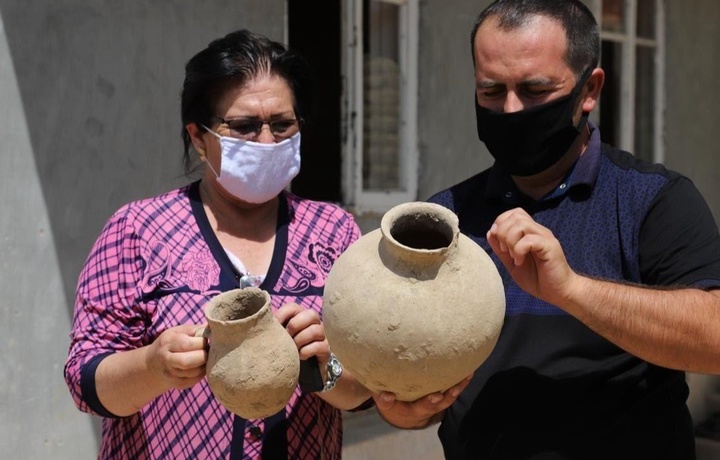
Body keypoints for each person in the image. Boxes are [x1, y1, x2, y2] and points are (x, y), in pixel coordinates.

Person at [372, 1, 720, 459]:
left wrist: (572, 291)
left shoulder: (652, 200)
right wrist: (405, 407)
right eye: (491, 90)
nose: (511, 109)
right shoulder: (444, 219)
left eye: (535, 90)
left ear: (589, 89)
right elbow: (416, 378)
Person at [64, 29, 372, 459]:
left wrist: (327, 369)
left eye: (283, 124)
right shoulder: (138, 230)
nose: (267, 141)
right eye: (244, 127)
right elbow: (86, 381)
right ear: (198, 136)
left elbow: (368, 387)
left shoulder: (333, 232)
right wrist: (153, 365)